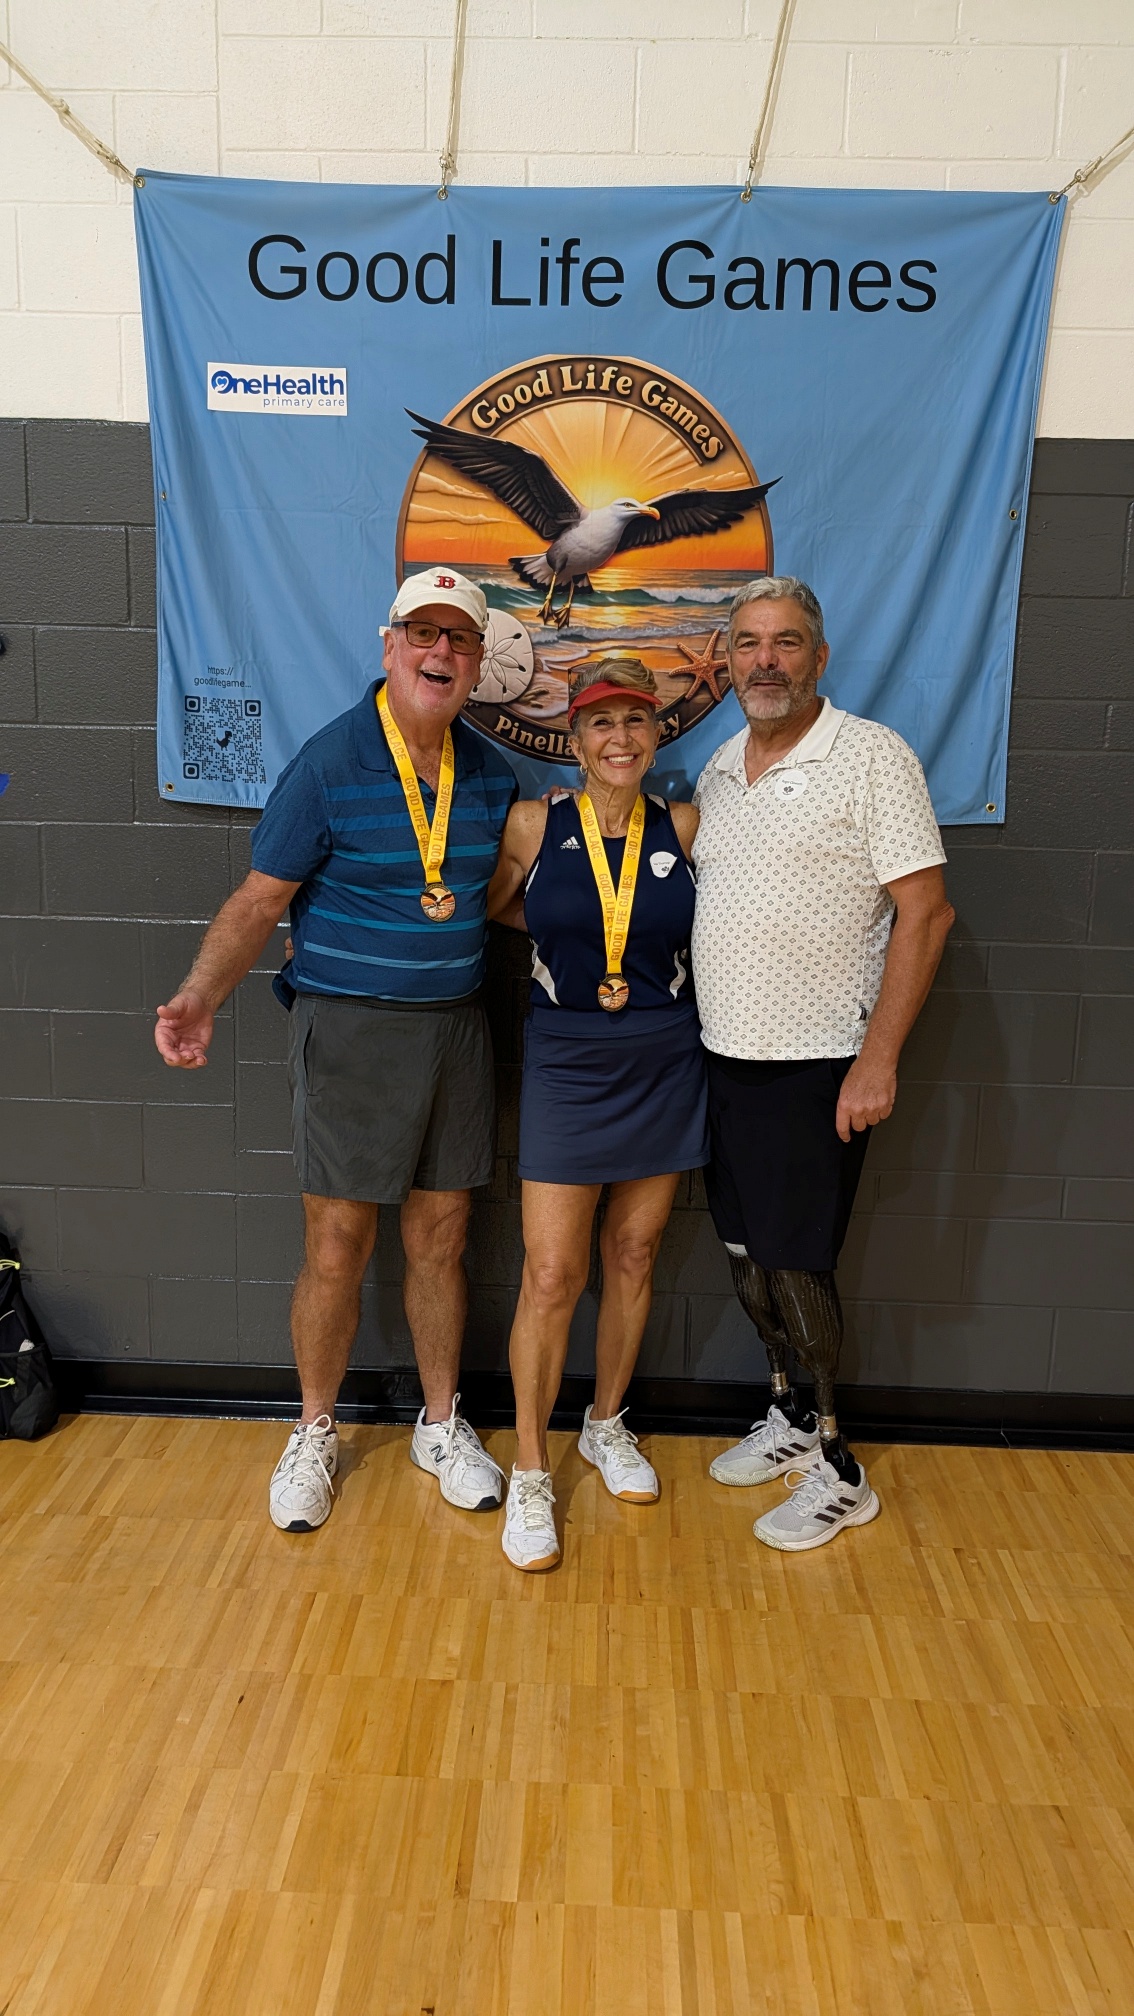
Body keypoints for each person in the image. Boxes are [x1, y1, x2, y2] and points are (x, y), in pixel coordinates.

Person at [153, 569, 518, 1533]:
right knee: (337, 1244)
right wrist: (199, 996)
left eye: (459, 639)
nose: (440, 652)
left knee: (442, 1239)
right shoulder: (327, 763)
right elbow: (260, 899)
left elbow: (494, 898)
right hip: (350, 1030)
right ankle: (314, 1428)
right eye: (422, 633)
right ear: (389, 646)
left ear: (478, 662)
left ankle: (440, 1423)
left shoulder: (491, 776)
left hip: (456, 1030)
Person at [692, 576, 954, 1551]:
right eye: (749, 642)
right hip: (723, 1062)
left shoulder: (872, 756)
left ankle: (841, 1467)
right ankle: (791, 1416)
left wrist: (878, 1060)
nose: (766, 660)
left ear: (819, 656)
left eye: (787, 641)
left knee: (800, 1267)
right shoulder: (720, 767)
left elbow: (927, 914)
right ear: (727, 660)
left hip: (818, 1068)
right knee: (747, 1261)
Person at [486, 658, 707, 1572]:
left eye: (636, 720)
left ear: (658, 734)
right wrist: (567, 934)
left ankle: (605, 1424)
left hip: (665, 1055)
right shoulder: (534, 824)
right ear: (573, 741)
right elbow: (492, 908)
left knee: (635, 1254)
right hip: (569, 1060)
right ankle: (531, 1469)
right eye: (601, 723)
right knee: (550, 1273)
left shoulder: (684, 824)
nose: (621, 738)